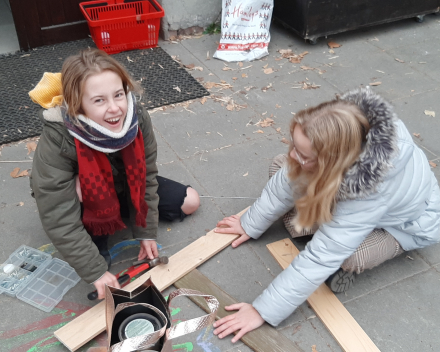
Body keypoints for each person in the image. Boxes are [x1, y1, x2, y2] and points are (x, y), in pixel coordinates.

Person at [212, 87, 440, 342]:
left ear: (334, 161)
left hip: (405, 227)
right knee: (282, 167)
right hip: (350, 201)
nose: (293, 154)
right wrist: (250, 223)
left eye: (303, 154)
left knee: (349, 256)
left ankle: (337, 250)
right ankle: (327, 231)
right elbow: (287, 180)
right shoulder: (344, 133)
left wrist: (262, 310)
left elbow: (322, 257)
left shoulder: (370, 189)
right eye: (294, 144)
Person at [29, 49, 200, 299]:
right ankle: (100, 225)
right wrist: (95, 271)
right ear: (77, 104)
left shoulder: (136, 117)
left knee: (190, 201)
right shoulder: (59, 137)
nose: (115, 109)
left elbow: (147, 177)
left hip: (123, 186)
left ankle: (119, 215)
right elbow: (57, 214)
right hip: (89, 196)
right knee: (99, 264)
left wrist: (146, 230)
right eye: (99, 100)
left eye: (118, 94)